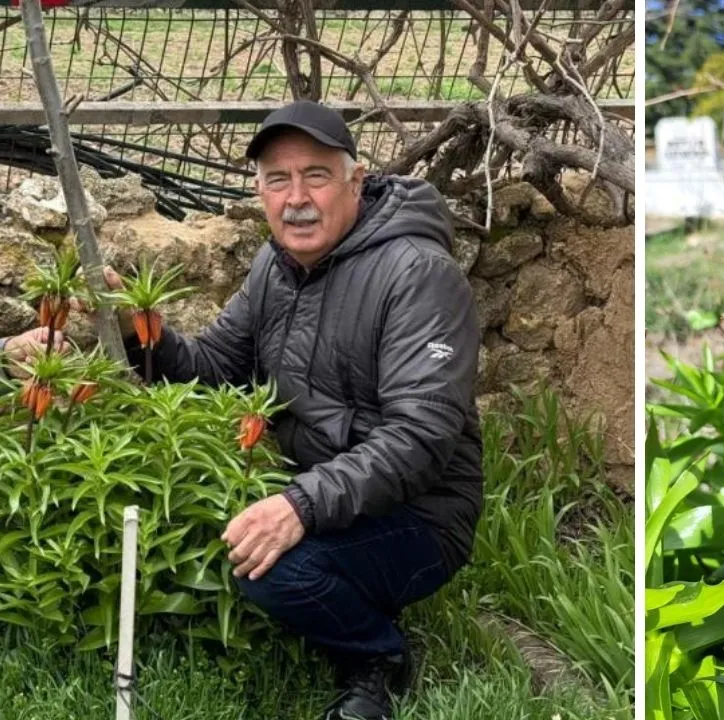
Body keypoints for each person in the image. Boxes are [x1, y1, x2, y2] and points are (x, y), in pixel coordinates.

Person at [101, 100, 484, 720]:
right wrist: (137, 329)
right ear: (260, 192)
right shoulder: (274, 266)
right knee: (224, 531)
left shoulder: (418, 274)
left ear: (355, 182)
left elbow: (421, 436)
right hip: (314, 486)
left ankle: (378, 656)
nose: (296, 198)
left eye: (316, 175)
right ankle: (340, 591)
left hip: (422, 514)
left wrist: (299, 506)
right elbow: (210, 373)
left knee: (273, 573)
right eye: (278, 180)